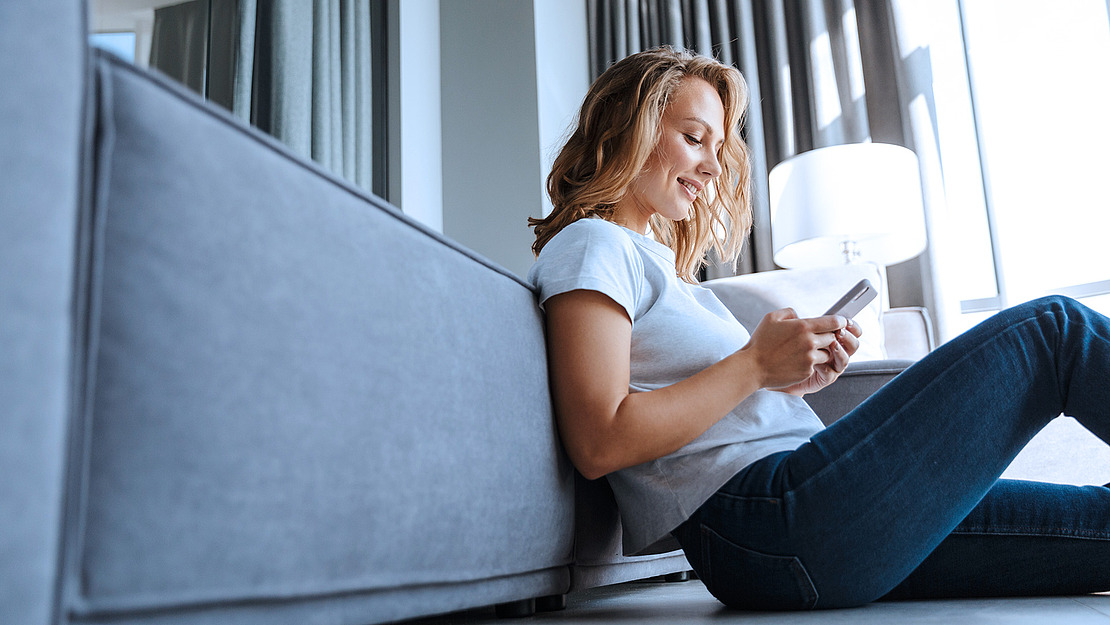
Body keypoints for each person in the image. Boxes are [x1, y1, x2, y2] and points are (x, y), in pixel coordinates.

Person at [526, 45, 1110, 611]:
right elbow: (600, 440)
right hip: (772, 518)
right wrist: (753, 364)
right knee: (1052, 332)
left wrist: (784, 381)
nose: (711, 165)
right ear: (629, 127)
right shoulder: (593, 244)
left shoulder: (665, 271)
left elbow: (695, 408)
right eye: (693, 137)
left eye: (718, 147)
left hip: (796, 522)